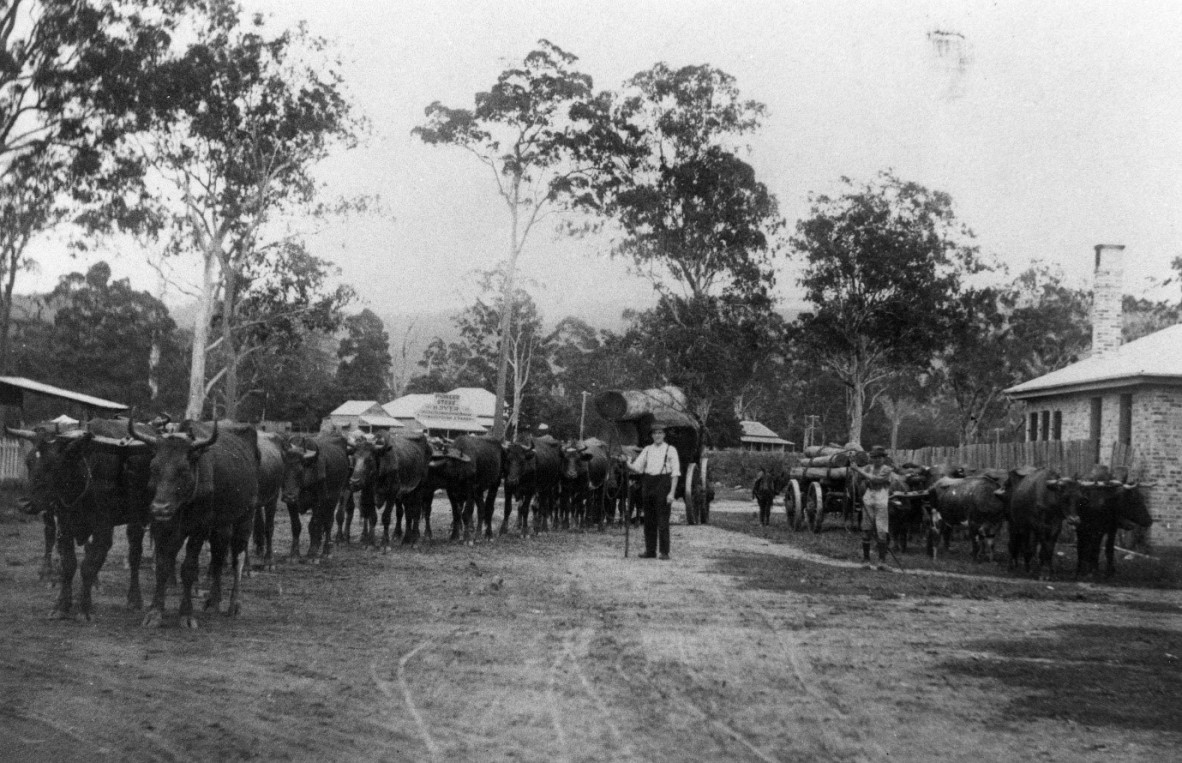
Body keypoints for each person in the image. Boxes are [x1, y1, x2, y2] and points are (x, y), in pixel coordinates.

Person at [626, 421, 680, 560]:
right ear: (652, 435)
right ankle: (650, 551)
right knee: (649, 520)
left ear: (664, 435)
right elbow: (638, 468)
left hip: (663, 484)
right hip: (648, 484)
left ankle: (664, 552)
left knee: (662, 521)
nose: (657, 435)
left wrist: (672, 493)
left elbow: (675, 473)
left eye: (660, 433)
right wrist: (626, 463)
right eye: (655, 433)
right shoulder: (647, 449)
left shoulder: (670, 450)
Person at [852, 445, 897, 568]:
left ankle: (882, 562)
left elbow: (876, 480)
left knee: (882, 530)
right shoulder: (868, 467)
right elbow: (858, 478)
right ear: (871, 458)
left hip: (881, 498)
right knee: (866, 529)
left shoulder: (887, 469)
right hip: (868, 497)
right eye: (874, 457)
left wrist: (858, 470)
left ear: (884, 458)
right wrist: (854, 470)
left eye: (880, 457)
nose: (877, 460)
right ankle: (866, 561)